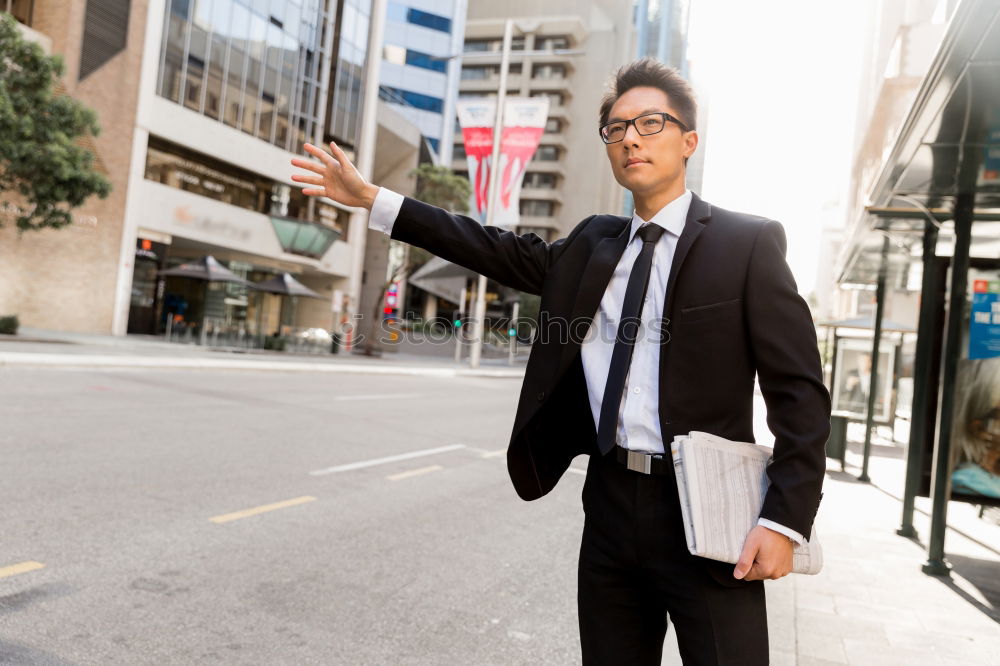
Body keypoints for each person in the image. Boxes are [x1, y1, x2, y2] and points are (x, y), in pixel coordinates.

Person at [291, 57, 831, 665]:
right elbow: (487, 246)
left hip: (707, 514)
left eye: (650, 123)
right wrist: (374, 200)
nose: (630, 137)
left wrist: (784, 520)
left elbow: (800, 396)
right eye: (617, 128)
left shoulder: (746, 243)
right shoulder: (591, 246)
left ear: (689, 141)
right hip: (609, 506)